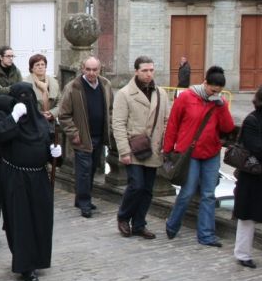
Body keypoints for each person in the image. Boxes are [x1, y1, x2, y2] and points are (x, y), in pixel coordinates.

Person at [0, 82, 62, 281]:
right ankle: (25, 266)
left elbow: (48, 143)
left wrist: (55, 154)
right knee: (21, 222)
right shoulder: (4, 118)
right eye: (21, 97)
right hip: (16, 177)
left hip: (39, 176)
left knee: (41, 218)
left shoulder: (40, 121)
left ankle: (39, 258)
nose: (25, 101)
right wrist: (13, 118)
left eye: (28, 96)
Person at [163, 66, 235, 246]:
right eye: (212, 90)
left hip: (211, 153)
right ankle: (172, 224)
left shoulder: (220, 103)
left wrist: (222, 107)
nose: (214, 94)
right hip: (189, 154)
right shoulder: (187, 97)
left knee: (209, 194)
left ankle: (206, 235)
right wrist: (168, 149)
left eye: (218, 92)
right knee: (186, 192)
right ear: (205, 83)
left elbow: (227, 128)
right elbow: (173, 123)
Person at [112, 56, 169, 240]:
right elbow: (118, 124)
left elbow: (168, 121)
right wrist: (124, 151)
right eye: (145, 70)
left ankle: (139, 224)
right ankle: (123, 217)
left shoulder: (161, 93)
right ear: (136, 71)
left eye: (151, 70)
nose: (149, 74)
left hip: (153, 148)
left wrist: (165, 143)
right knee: (136, 185)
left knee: (147, 190)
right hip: (134, 146)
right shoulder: (124, 94)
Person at [58, 56, 113, 218]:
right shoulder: (73, 87)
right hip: (82, 137)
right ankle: (84, 203)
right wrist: (74, 134)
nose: (91, 73)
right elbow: (64, 115)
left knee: (93, 168)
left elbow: (110, 109)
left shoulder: (105, 85)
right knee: (84, 171)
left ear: (100, 69)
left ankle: (80, 198)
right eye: (88, 69)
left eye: (94, 69)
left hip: (99, 136)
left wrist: (109, 127)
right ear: (82, 69)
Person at [233, 81, 262, 273]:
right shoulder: (252, 120)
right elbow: (257, 148)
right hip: (253, 176)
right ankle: (242, 254)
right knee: (247, 217)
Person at [25, 54, 61, 124]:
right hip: (33, 122)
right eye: (37, 65)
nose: (40, 67)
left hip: (51, 121)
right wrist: (40, 115)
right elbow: (25, 105)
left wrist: (52, 113)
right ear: (31, 68)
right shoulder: (26, 83)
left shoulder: (54, 82)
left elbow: (60, 102)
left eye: (42, 64)